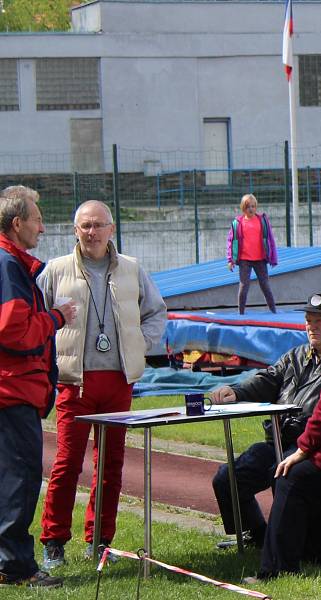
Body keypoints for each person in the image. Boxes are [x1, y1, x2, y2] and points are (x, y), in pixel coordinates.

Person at [38, 200, 167, 569]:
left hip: (117, 381)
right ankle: (53, 541)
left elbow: (156, 311)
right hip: (75, 382)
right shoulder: (55, 270)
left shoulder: (131, 268)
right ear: (74, 230)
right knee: (67, 463)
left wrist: (140, 343)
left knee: (110, 465)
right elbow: (37, 316)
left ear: (111, 229)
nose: (91, 232)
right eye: (85, 226)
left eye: (98, 225)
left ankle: (99, 540)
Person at [210, 293, 321, 549]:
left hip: (312, 445)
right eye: (308, 320)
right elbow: (267, 379)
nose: (311, 326)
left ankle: (294, 545)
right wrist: (236, 392)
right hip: (277, 441)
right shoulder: (295, 356)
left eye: (319, 321)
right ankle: (257, 534)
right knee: (227, 478)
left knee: (283, 475)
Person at [0, 186, 76, 589]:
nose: (43, 227)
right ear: (17, 224)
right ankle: (15, 566)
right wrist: (56, 318)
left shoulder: (12, 264)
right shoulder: (8, 266)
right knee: (20, 478)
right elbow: (15, 332)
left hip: (15, 390)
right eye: (37, 219)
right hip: (12, 392)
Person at [243, 354, 321, 581]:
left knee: (290, 476)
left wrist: (303, 449)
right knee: (304, 472)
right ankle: (319, 552)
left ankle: (278, 569)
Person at [226, 193, 278, 314]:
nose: (251, 209)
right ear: (243, 208)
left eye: (253, 206)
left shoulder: (262, 221)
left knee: (265, 285)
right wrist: (230, 260)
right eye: (248, 206)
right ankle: (241, 312)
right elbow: (231, 241)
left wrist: (273, 257)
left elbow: (270, 239)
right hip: (245, 260)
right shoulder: (237, 223)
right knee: (244, 286)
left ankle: (273, 311)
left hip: (260, 259)